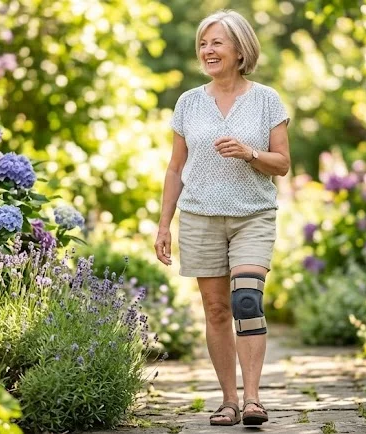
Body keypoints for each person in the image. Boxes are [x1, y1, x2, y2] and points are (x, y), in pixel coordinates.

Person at [154, 9, 291, 427]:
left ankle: (253, 400)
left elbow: (282, 163)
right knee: (215, 311)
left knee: (246, 300)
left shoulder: (266, 99)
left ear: (239, 49)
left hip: (252, 216)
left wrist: (250, 154)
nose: (207, 50)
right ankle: (228, 401)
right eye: (203, 43)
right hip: (199, 217)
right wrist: (164, 224)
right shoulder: (189, 102)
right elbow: (176, 168)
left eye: (216, 42)